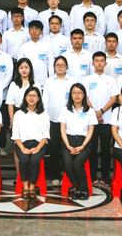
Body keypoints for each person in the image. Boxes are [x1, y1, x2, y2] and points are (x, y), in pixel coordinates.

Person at [82, 52, 119, 185]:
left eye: (101, 61)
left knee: (105, 150)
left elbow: (113, 98)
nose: (99, 63)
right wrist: (95, 114)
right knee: (91, 149)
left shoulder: (111, 80)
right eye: (96, 61)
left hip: (107, 119)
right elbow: (85, 98)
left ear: (105, 63)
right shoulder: (87, 80)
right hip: (91, 120)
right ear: (92, 64)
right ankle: (92, 175)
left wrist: (101, 112)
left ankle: (105, 176)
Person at [59, 83, 97, 200]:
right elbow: (62, 130)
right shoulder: (65, 110)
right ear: (71, 95)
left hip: (84, 142)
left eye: (80, 92)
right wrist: (68, 146)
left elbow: (90, 131)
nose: (77, 95)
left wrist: (82, 146)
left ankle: (84, 189)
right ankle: (79, 188)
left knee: (77, 163)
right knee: (67, 163)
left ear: (84, 95)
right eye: (74, 92)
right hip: (68, 141)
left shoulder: (90, 111)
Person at [12, 86, 50, 199]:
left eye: (34, 96)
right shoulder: (18, 114)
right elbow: (15, 135)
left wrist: (38, 148)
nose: (31, 98)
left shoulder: (44, 114)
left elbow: (46, 135)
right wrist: (22, 148)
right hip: (22, 144)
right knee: (23, 160)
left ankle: (32, 187)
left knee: (34, 161)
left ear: (38, 98)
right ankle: (25, 187)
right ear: (25, 97)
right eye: (29, 96)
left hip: (39, 145)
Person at [42, 56, 75, 186]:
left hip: (69, 121)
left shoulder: (72, 81)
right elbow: (45, 101)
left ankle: (68, 176)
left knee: (67, 149)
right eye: (57, 65)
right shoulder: (49, 82)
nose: (60, 67)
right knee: (54, 149)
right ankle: (55, 175)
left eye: (62, 65)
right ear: (54, 67)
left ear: (67, 67)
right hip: (53, 120)